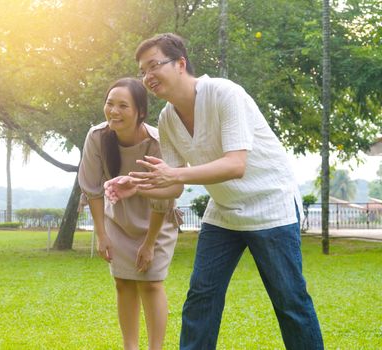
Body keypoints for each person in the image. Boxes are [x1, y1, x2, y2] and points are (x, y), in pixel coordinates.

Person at [105, 34, 324, 349]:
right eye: (143, 70)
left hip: (270, 206)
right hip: (223, 211)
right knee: (201, 298)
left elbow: (236, 165)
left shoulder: (225, 93)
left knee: (289, 300)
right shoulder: (167, 118)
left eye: (154, 65)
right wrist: (137, 184)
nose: (148, 77)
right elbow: (174, 183)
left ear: (181, 64)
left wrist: (172, 174)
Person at [78, 78, 183, 350]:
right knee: (123, 283)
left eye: (123, 105)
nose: (114, 111)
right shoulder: (97, 136)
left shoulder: (157, 141)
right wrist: (101, 235)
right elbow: (92, 190)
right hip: (119, 220)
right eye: (110, 104)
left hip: (156, 221)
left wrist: (149, 244)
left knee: (150, 284)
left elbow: (164, 198)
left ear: (140, 112)